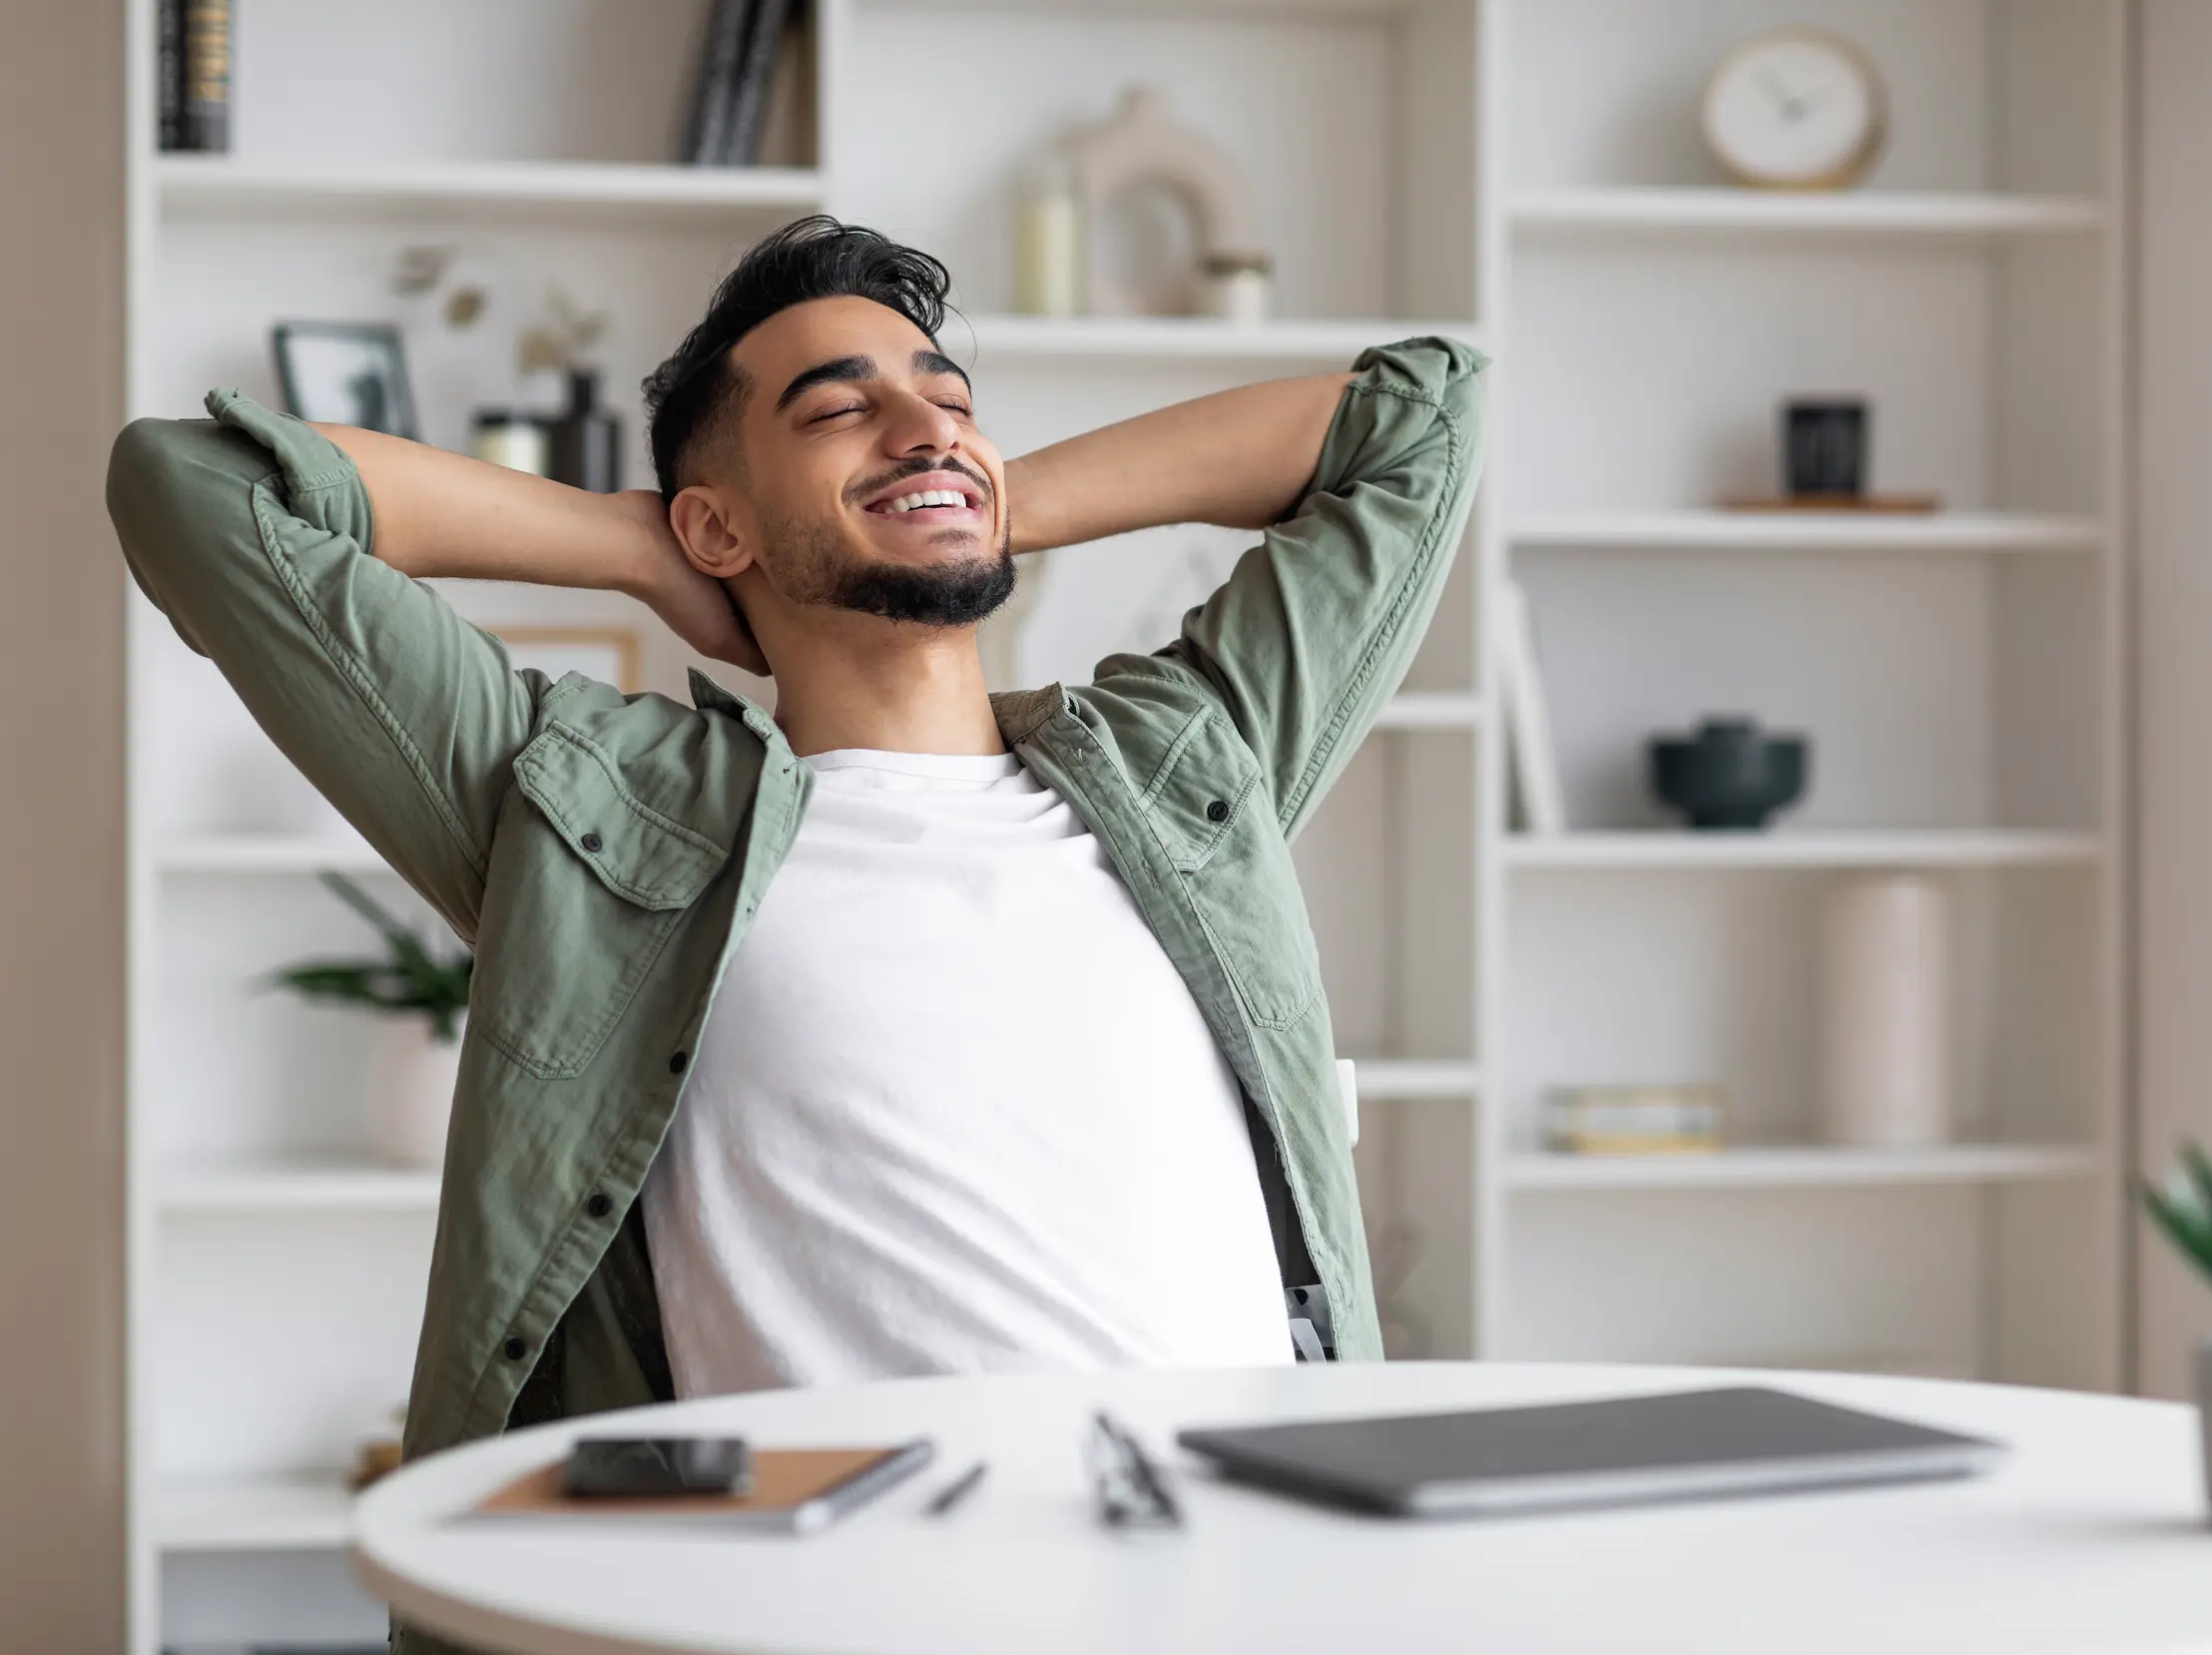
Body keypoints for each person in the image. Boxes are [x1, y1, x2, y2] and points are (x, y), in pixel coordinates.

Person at [109, 211, 1480, 1523]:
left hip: (1252, 1592)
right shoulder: (606, 823)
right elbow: (194, 484)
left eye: (947, 396)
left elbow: (1424, 415)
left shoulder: (1182, 769)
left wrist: (986, 493)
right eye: (838, 409)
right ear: (719, 525)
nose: (925, 421)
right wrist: (637, 546)